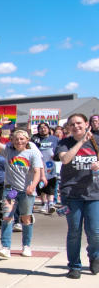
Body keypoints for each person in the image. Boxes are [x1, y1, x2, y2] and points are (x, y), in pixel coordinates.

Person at [0, 129, 43, 258]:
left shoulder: (33, 153)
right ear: (12, 140)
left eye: (22, 139)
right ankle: (5, 247)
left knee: (26, 218)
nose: (19, 141)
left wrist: (33, 186)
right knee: (7, 216)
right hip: (11, 190)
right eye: (16, 139)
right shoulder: (8, 151)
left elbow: (37, 172)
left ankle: (26, 246)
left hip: (26, 191)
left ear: (27, 140)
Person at [55, 113, 99, 278]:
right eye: (72, 124)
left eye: (79, 123)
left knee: (95, 232)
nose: (76, 126)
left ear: (86, 123)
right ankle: (74, 266)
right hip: (71, 194)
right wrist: (81, 141)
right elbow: (65, 159)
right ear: (68, 127)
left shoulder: (97, 140)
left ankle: (95, 256)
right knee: (74, 231)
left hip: (94, 193)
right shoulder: (64, 143)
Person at [31, 122, 60, 214]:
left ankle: (51, 203)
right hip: (39, 164)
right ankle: (44, 203)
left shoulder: (55, 139)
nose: (43, 129)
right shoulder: (35, 139)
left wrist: (57, 156)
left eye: (45, 128)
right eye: (41, 128)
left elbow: (59, 149)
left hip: (51, 164)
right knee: (41, 184)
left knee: (51, 182)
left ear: (48, 129)